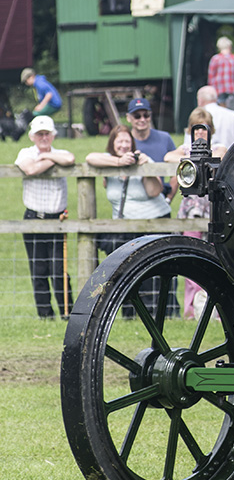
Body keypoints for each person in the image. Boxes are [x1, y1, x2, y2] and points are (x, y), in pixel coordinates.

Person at [164, 107, 224, 319]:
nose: (200, 135)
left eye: (204, 130)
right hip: (191, 212)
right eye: (196, 130)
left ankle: (214, 309)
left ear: (211, 131)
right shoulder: (183, 150)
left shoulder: (218, 148)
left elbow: (220, 156)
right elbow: (168, 157)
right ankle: (190, 310)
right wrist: (189, 156)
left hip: (213, 211)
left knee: (215, 258)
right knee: (191, 259)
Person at [15, 115, 75, 318]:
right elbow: (29, 168)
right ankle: (45, 315)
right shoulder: (25, 152)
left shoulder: (60, 153)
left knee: (59, 270)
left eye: (47, 133)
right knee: (39, 270)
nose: (43, 137)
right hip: (34, 217)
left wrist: (45, 157)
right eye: (39, 134)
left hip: (58, 219)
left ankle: (68, 313)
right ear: (32, 136)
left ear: (53, 135)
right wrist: (48, 160)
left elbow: (69, 159)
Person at [85, 124, 170, 255]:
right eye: (119, 141)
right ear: (112, 143)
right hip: (124, 228)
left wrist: (145, 168)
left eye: (127, 141)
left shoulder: (143, 160)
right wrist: (119, 162)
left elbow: (154, 191)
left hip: (153, 224)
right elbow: (90, 158)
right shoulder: (108, 161)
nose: (123, 145)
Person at [125, 97, 177, 201]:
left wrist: (169, 197)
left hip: (158, 198)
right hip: (131, 200)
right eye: (137, 116)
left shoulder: (164, 138)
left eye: (146, 115)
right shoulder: (123, 142)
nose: (142, 119)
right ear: (128, 118)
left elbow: (177, 169)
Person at [196, 85, 234, 149]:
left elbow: (188, 143)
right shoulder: (232, 115)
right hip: (230, 157)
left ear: (200, 100)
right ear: (216, 99)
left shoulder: (197, 116)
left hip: (204, 157)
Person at [207, 36, 234, 102]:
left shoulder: (215, 59)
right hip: (232, 89)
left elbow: (211, 76)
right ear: (230, 47)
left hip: (218, 90)